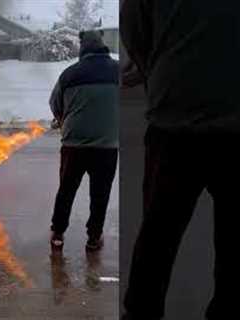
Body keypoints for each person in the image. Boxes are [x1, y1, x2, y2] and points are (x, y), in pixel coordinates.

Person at [120, 1, 240, 319]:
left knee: (158, 234)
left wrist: (160, 66)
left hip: (175, 116)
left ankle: (141, 312)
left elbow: (135, 30)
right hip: (219, 121)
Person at [49, 30, 119, 252]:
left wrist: (64, 121)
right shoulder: (118, 71)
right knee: (100, 194)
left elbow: (55, 104)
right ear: (103, 47)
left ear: (83, 49)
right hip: (106, 147)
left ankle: (58, 234)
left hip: (74, 146)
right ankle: (93, 238)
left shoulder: (69, 74)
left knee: (66, 190)